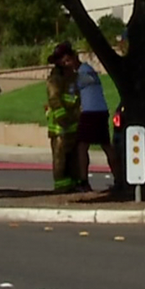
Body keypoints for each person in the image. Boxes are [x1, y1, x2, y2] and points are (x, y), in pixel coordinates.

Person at [66, 51, 120, 192]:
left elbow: (71, 91)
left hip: (90, 112)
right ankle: (119, 179)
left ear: (74, 58)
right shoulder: (88, 71)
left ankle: (84, 181)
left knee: (82, 146)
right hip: (100, 110)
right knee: (106, 145)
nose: (67, 64)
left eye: (68, 61)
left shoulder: (82, 73)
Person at [45, 42, 82, 193]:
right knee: (60, 158)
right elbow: (54, 99)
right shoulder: (55, 79)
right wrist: (63, 118)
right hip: (59, 127)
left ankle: (74, 183)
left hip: (73, 124)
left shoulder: (74, 76)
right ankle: (61, 187)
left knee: (74, 157)